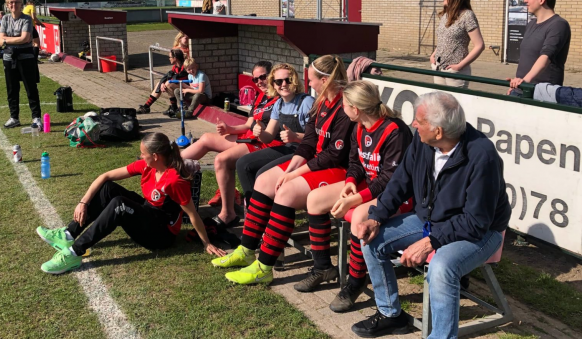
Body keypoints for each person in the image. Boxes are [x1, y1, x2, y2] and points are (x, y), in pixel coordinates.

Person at [350, 91, 511, 338]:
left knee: (442, 266)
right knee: (372, 239)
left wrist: (429, 242)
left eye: (419, 121)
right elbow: (400, 180)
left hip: (482, 232)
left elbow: (476, 222)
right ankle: (391, 314)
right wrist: (376, 216)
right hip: (433, 220)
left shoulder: (482, 155)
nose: (413, 124)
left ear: (438, 131)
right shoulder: (422, 141)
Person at [213, 55, 355, 286]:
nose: (309, 85)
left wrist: (294, 173)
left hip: (339, 169)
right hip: (319, 161)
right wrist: (290, 167)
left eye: (312, 80)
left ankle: (265, 266)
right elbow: (309, 142)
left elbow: (334, 156)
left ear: (325, 80)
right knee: (265, 180)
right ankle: (248, 249)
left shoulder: (344, 106)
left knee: (285, 192)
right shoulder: (320, 103)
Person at [294, 80, 413, 313]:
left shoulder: (395, 131)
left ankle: (356, 281)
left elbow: (391, 179)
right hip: (369, 186)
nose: (342, 108)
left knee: (359, 215)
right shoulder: (358, 126)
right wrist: (350, 183)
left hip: (398, 195)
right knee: (315, 200)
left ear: (355, 108)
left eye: (345, 105)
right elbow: (355, 162)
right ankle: (322, 268)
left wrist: (355, 199)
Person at [37, 132, 225, 274]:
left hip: (161, 234)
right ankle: (69, 234)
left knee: (119, 204)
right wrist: (83, 202)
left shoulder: (174, 180)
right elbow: (105, 176)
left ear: (156, 156)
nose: (140, 156)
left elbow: (192, 213)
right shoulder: (147, 166)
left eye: (143, 153)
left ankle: (74, 253)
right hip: (149, 213)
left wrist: (206, 243)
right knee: (108, 188)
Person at [179, 61, 281, 225]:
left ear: (272, 75)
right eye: (255, 79)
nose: (259, 82)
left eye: (262, 77)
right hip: (249, 138)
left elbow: (270, 134)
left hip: (264, 144)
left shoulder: (281, 98)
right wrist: (229, 129)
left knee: (221, 159)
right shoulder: (261, 96)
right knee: (205, 138)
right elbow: (248, 124)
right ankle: (169, 162)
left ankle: (228, 213)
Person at [233, 63, 313, 211]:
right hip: (288, 148)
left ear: (294, 81)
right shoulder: (279, 104)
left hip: (304, 151)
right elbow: (268, 137)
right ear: (274, 85)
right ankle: (253, 212)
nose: (283, 84)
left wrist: (295, 136)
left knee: (262, 173)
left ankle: (265, 215)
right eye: (278, 82)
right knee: (243, 164)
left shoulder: (306, 102)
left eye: (287, 80)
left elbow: (316, 138)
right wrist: (260, 132)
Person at [508, 0, 571, 95]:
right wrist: (516, 85)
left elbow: (545, 57)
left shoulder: (558, 25)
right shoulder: (531, 24)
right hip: (523, 88)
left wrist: (524, 81)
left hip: (543, 93)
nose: (525, 0)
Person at [0, 0, 42, 130]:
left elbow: (25, 38)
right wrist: (8, 40)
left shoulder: (27, 19)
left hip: (26, 58)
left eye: (16, 2)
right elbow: (0, 40)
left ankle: (36, 118)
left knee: (31, 88)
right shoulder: (5, 19)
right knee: (12, 89)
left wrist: (6, 40)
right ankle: (14, 117)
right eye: (11, 2)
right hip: (8, 58)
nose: (13, 5)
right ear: (7, 5)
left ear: (21, 5)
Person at [430, 0, 484, 89]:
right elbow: (443, 39)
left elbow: (479, 45)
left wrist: (459, 66)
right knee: (440, 103)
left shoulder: (467, 16)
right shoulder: (446, 15)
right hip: (438, 67)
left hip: (455, 72)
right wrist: (433, 55)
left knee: (455, 104)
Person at [137, 48, 188, 116]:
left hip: (187, 86)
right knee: (160, 83)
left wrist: (166, 82)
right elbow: (168, 76)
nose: (169, 59)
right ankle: (146, 106)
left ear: (175, 58)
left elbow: (179, 77)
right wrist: (162, 83)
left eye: (170, 57)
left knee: (168, 83)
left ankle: (174, 108)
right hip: (179, 84)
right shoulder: (175, 66)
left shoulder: (184, 66)